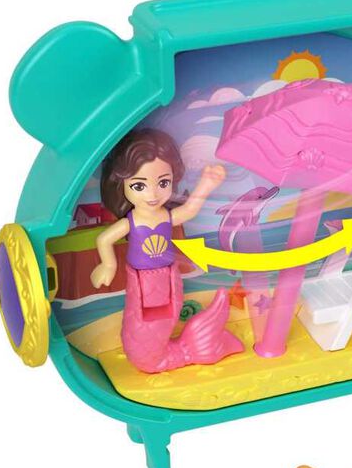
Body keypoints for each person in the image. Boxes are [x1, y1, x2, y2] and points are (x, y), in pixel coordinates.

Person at [91, 128, 243, 373]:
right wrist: (108, 265)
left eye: (163, 183)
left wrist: (205, 186)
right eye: (139, 185)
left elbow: (189, 210)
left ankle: (191, 345)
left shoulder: (166, 215)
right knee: (145, 324)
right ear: (121, 185)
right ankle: (187, 347)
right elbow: (105, 239)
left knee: (166, 316)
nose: (152, 194)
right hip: (141, 281)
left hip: (168, 277)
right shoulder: (132, 221)